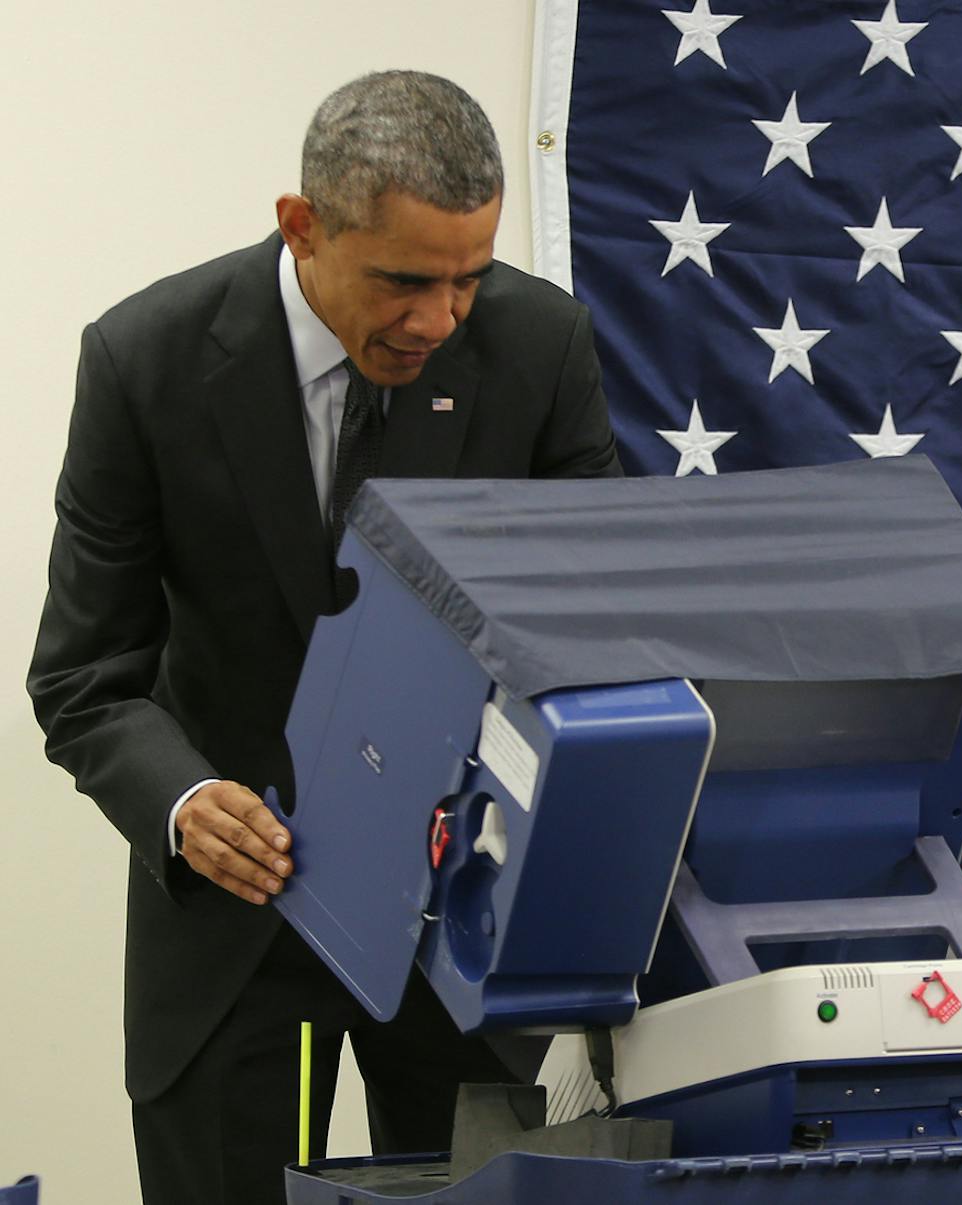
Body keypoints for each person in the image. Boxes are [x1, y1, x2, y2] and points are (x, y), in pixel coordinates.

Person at [26, 71, 621, 1205]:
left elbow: (586, 630)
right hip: (231, 932)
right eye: (404, 280)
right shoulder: (143, 359)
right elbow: (84, 677)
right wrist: (186, 804)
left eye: (469, 279)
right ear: (301, 226)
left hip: (461, 929)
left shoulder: (542, 349)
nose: (440, 320)